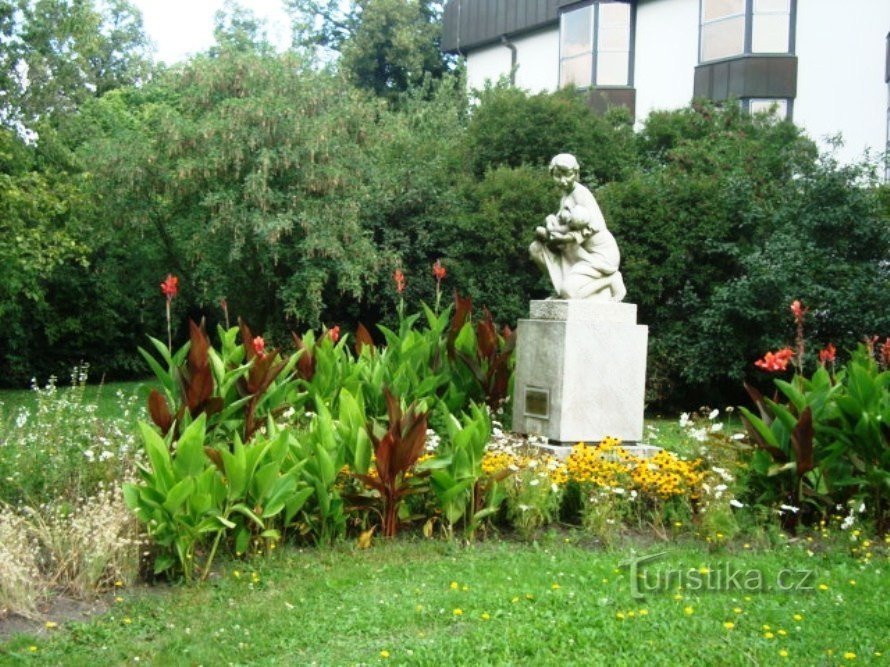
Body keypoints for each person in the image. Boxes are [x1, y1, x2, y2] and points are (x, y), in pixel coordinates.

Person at [529, 154, 626, 301]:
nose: (563, 181)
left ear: (576, 173)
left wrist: (565, 237)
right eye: (557, 176)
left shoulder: (581, 193)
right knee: (536, 249)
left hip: (600, 255)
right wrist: (551, 226)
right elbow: (562, 225)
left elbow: (595, 225)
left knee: (570, 294)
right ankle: (559, 287)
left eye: (568, 175)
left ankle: (610, 280)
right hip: (577, 251)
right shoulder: (565, 196)